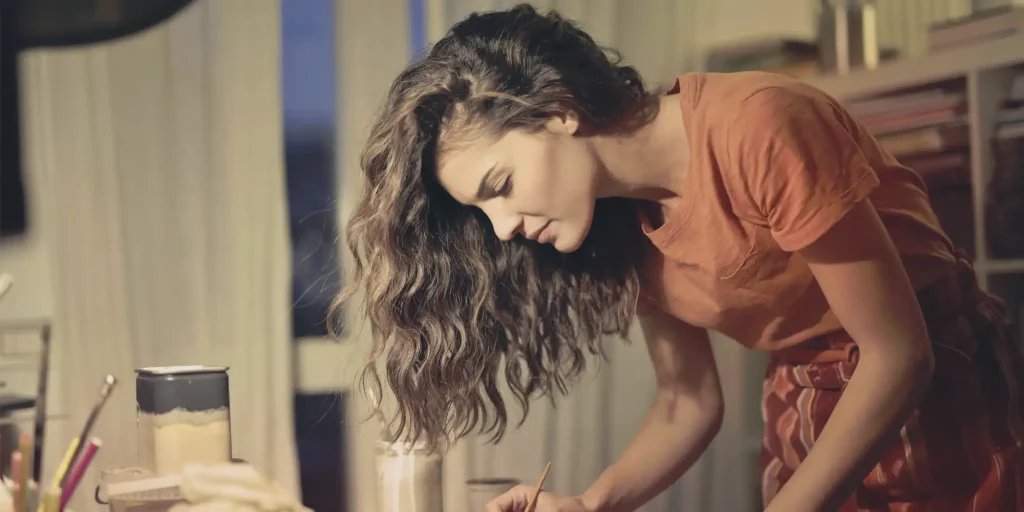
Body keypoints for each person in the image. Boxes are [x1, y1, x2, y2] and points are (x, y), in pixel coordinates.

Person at [337, 4, 1024, 511]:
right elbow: (688, 401)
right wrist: (590, 503)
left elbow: (898, 354)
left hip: (941, 386)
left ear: (557, 109)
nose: (504, 227)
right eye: (483, 213)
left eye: (501, 186)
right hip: (802, 403)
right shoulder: (618, 223)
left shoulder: (761, 124)